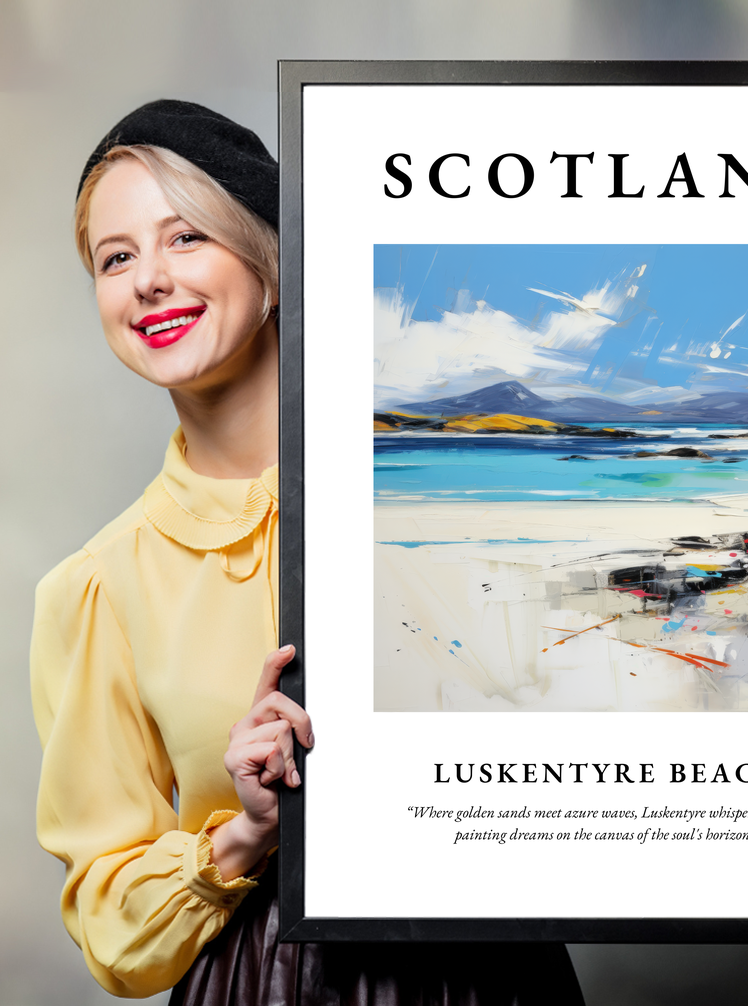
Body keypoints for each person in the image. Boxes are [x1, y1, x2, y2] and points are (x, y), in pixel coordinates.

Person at [30, 100, 585, 1004]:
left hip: (492, 973)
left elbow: (613, 698)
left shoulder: (455, 494)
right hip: (262, 982)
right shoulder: (97, 587)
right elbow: (110, 923)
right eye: (116, 257)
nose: (148, 281)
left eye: (186, 239)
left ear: (273, 264)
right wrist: (245, 832)